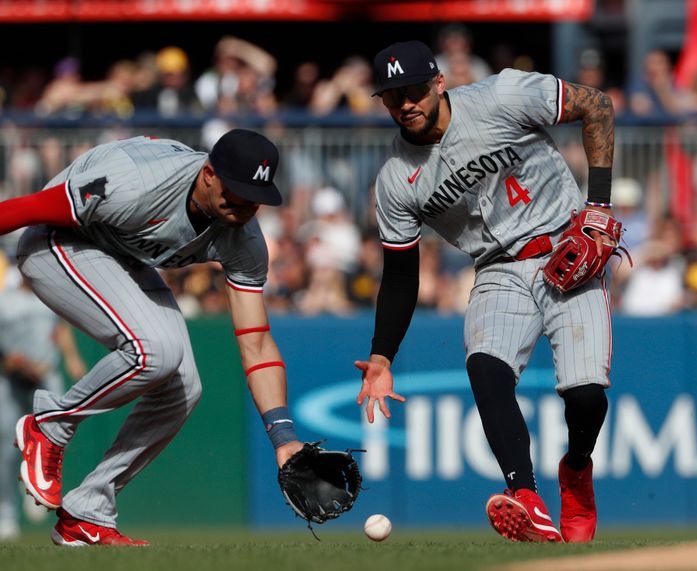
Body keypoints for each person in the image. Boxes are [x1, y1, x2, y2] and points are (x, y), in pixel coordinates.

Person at [355, 41, 617, 543]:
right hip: (497, 266)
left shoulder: (502, 95)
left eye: (412, 89)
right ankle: (527, 497)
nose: (404, 103)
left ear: (438, 83)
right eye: (391, 96)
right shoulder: (395, 178)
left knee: (585, 398)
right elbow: (400, 275)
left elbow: (597, 105)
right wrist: (382, 356)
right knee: (486, 368)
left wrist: (599, 205)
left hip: (569, 244)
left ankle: (577, 470)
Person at [0, 128, 304, 546]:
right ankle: (50, 426)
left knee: (185, 388)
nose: (246, 206)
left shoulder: (244, 239)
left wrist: (283, 437)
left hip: (120, 254)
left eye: (256, 197)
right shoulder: (135, 184)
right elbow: (26, 208)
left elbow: (256, 342)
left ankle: (88, 511)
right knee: (155, 352)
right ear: (209, 174)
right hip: (56, 241)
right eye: (237, 192)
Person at [0, 269, 86, 541]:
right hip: (11, 377)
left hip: (46, 373)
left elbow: (61, 328)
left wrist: (72, 358)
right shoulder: (5, 300)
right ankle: (6, 513)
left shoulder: (49, 296)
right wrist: (8, 360)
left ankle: (33, 482)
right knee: (6, 445)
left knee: (56, 433)